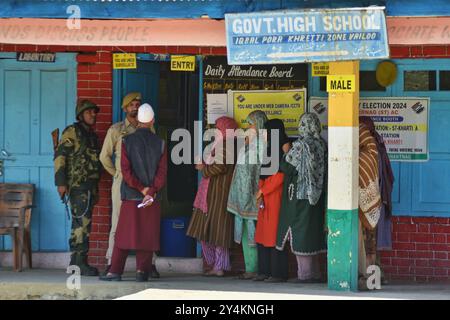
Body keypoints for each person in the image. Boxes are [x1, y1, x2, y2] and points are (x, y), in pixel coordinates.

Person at [100, 103, 167, 282]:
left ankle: (115, 271)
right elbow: (161, 174)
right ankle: (142, 272)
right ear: (152, 120)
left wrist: (140, 188)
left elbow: (126, 172)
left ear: (138, 119)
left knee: (123, 234)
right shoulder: (160, 143)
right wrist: (150, 191)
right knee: (147, 234)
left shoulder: (127, 142)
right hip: (151, 198)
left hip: (130, 196)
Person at [276, 113, 327, 283]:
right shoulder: (322, 144)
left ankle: (304, 274)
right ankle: (316, 273)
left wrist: (285, 152)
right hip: (318, 195)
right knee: (312, 230)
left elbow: (286, 167)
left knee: (300, 230)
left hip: (300, 194)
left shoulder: (300, 146)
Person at [54, 99, 101, 276]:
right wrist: (60, 183)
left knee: (83, 224)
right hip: (78, 186)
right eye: (89, 112)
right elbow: (60, 157)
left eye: (94, 112)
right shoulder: (72, 131)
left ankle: (76, 262)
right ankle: (80, 262)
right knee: (81, 224)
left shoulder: (92, 135)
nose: (93, 115)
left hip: (89, 187)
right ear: (81, 115)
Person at [186, 116, 238, 277]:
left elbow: (220, 166)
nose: (216, 130)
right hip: (217, 191)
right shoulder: (230, 143)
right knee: (212, 229)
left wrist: (204, 169)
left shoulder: (226, 145)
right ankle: (217, 265)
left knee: (217, 230)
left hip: (218, 192)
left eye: (218, 127)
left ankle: (219, 266)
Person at [227, 110, 268, 280]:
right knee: (246, 232)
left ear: (258, 124)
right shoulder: (251, 142)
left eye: (251, 124)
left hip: (251, 195)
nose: (248, 127)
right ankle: (249, 268)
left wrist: (247, 195)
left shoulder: (261, 143)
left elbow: (252, 170)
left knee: (253, 232)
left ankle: (254, 268)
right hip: (243, 195)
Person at [253, 119, 291, 282]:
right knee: (262, 235)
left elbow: (281, 175)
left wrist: (263, 190)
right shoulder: (269, 149)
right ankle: (264, 271)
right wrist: (260, 190)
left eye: (267, 132)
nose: (264, 135)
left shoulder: (284, 148)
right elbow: (263, 173)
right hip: (265, 198)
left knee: (274, 235)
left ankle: (278, 273)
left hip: (276, 197)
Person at [358, 120, 383, 290]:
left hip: (362, 205)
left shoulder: (362, 155)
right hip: (374, 203)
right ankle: (372, 281)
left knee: (365, 243)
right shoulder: (374, 150)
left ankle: (368, 278)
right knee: (371, 244)